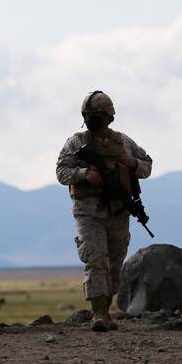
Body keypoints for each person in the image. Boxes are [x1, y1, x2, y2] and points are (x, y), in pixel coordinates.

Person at [55, 90, 152, 332]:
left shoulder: (124, 143)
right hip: (88, 211)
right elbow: (61, 172)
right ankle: (98, 313)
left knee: (116, 260)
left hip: (118, 211)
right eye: (89, 115)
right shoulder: (76, 142)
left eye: (97, 115)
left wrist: (132, 163)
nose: (93, 119)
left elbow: (147, 166)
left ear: (109, 117)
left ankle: (106, 310)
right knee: (95, 258)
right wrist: (84, 174)